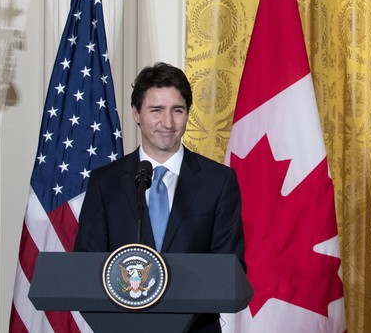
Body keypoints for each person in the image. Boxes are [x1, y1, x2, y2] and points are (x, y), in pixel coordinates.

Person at [74, 62, 245, 333]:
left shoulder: (218, 181)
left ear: (187, 113)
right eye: (156, 110)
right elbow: (87, 266)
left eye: (177, 110)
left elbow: (231, 267)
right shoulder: (105, 182)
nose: (168, 123)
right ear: (136, 113)